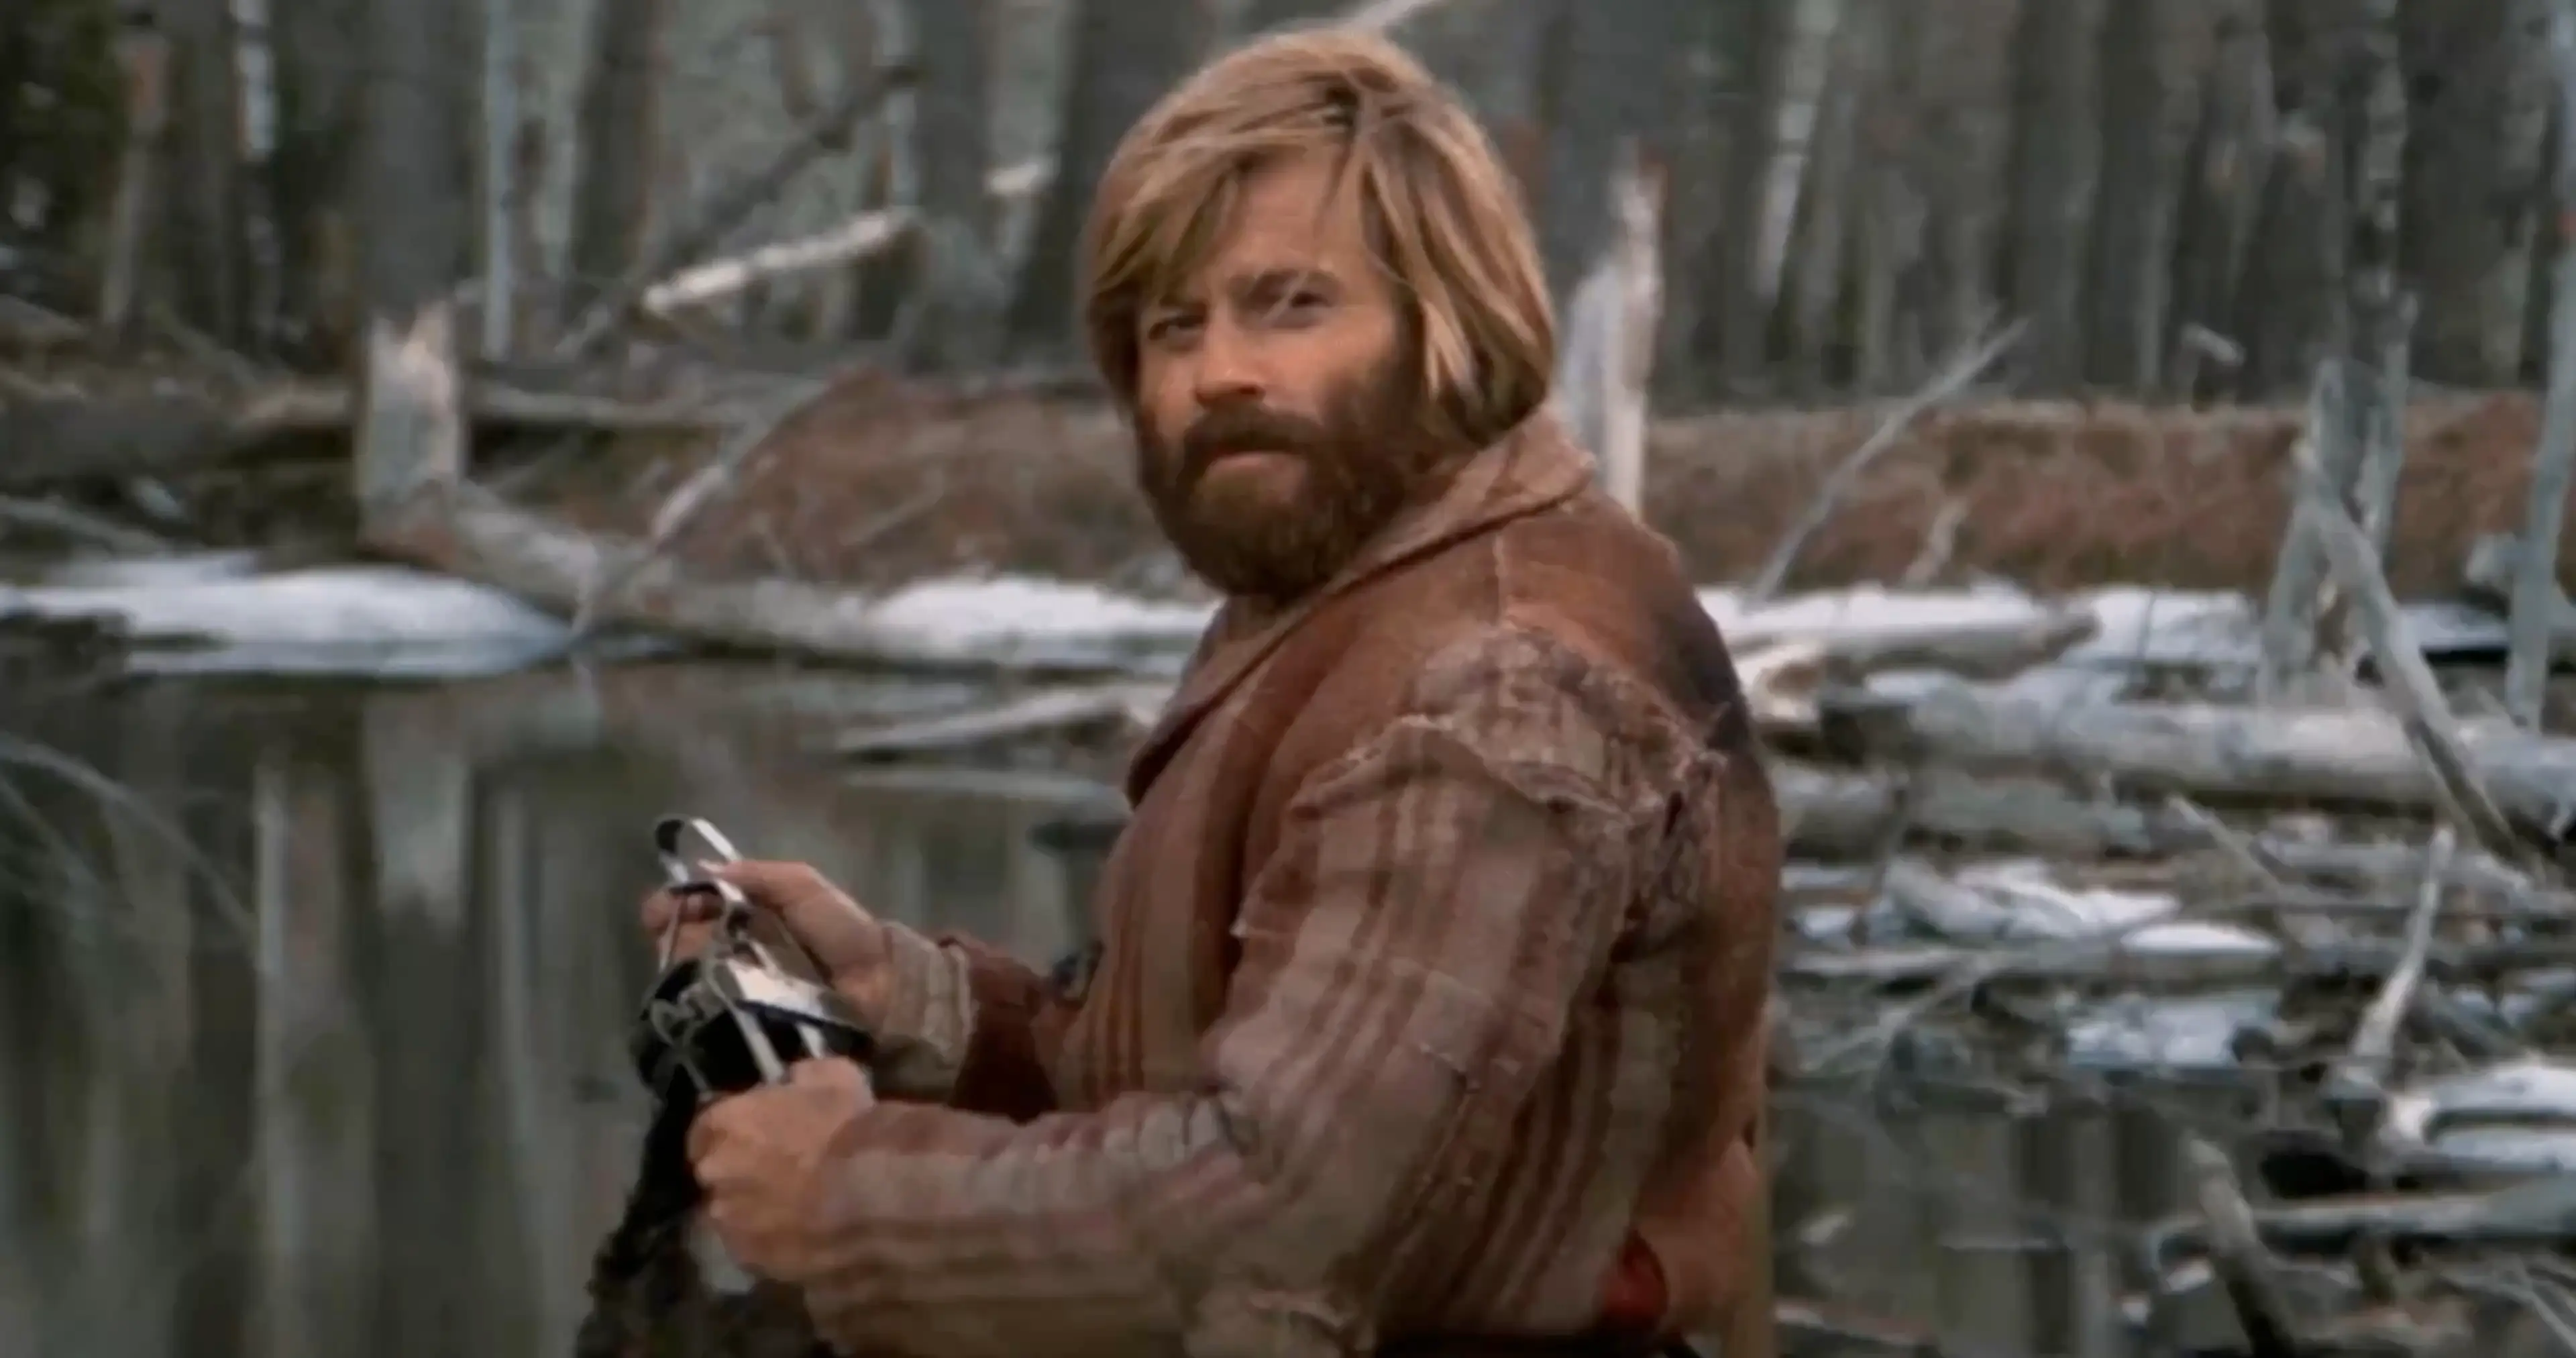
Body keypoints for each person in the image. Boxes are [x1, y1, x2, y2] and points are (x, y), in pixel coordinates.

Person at [644, 25, 1782, 1358]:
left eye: (1291, 303)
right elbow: (1205, 1082)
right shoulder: (1349, 591)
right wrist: (901, 1003)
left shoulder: (1497, 688)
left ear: (1450, 322)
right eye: (1172, 326)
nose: (1217, 370)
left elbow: (1271, 1213)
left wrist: (843, 1200)